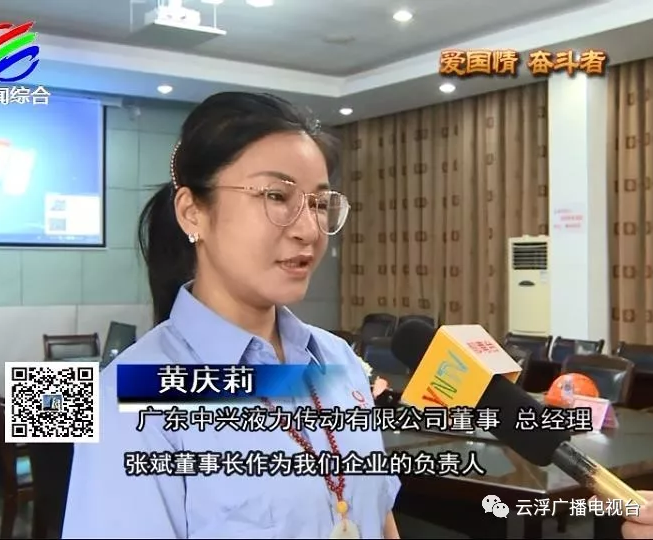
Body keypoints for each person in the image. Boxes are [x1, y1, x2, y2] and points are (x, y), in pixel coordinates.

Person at [62, 92, 401, 539]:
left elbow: (377, 514)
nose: (308, 230)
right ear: (192, 213)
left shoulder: (338, 360)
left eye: (319, 204)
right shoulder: (129, 395)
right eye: (276, 196)